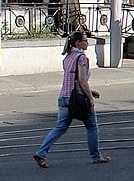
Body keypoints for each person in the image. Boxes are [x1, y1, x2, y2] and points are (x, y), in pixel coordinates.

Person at [34, 32, 110, 167]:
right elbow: (81, 80)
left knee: (59, 128)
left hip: (63, 97)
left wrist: (90, 91)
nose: (87, 43)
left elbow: (71, 80)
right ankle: (96, 156)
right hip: (77, 100)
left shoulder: (68, 57)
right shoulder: (82, 58)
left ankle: (41, 153)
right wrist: (90, 97)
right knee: (92, 126)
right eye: (85, 41)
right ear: (78, 43)